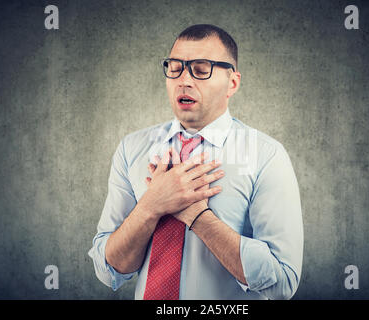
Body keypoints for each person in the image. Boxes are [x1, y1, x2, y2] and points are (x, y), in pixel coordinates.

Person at [88, 24, 303, 300]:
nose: (184, 80)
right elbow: (110, 271)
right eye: (175, 68)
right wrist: (151, 206)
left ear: (232, 83)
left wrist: (197, 216)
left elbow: (282, 282)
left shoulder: (266, 155)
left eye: (201, 70)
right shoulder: (132, 148)